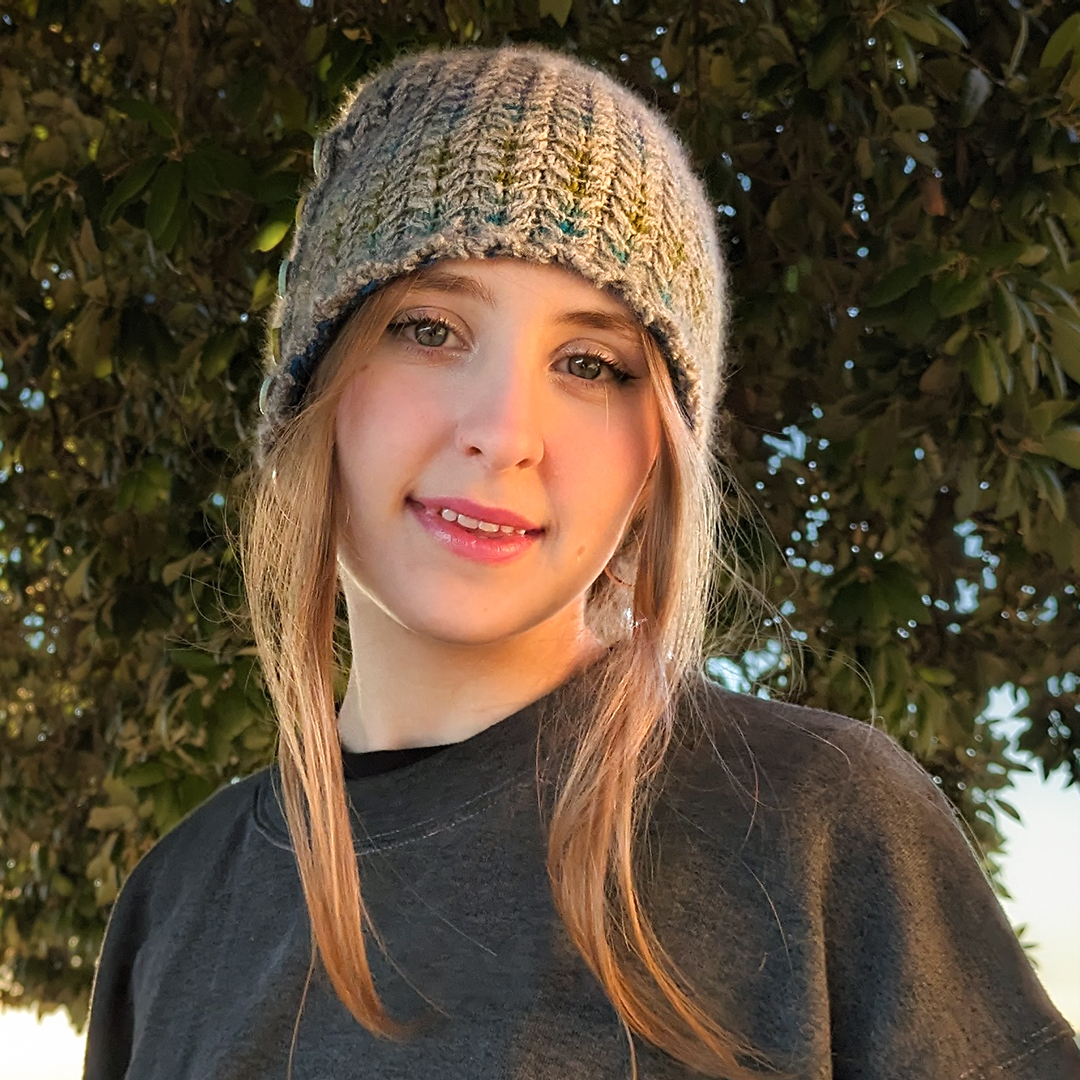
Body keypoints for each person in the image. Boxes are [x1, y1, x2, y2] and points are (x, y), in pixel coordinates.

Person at [82, 43, 1079, 1080]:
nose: (505, 432)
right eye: (428, 328)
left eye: (591, 363)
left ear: (658, 457)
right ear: (310, 387)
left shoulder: (823, 830)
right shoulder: (170, 910)